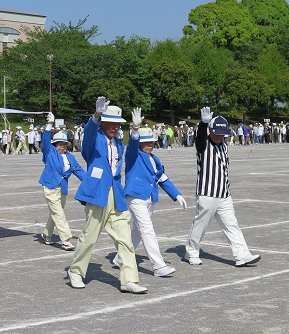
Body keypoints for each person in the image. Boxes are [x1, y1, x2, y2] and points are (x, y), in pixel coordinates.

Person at [67, 97, 148, 294]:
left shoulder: (119, 144)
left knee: (125, 240)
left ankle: (129, 280)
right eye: (111, 123)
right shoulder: (94, 142)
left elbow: (131, 157)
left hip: (116, 195)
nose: (114, 127)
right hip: (97, 193)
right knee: (89, 236)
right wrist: (95, 115)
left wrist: (135, 132)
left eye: (117, 124)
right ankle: (76, 271)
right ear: (103, 122)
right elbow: (88, 135)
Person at [111, 112, 188, 277]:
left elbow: (162, 178)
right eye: (145, 142)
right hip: (135, 197)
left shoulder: (155, 159)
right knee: (147, 230)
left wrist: (177, 195)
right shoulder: (133, 155)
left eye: (151, 142)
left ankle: (119, 258)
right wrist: (135, 129)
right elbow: (132, 145)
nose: (149, 145)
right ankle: (158, 266)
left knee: (138, 232)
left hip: (150, 198)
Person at [184, 107, 261, 267]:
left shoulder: (224, 145)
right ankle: (191, 251)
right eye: (216, 133)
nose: (219, 136)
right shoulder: (203, 145)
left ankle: (242, 255)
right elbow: (199, 139)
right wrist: (203, 124)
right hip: (207, 193)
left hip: (224, 193)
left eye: (222, 134)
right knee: (200, 224)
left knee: (231, 224)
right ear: (210, 130)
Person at [38, 112, 86, 251]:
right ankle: (66, 239)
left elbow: (80, 172)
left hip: (62, 188)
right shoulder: (50, 152)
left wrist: (92, 182)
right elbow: (45, 140)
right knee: (59, 213)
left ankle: (46, 234)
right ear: (54, 144)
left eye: (65, 144)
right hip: (50, 186)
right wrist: (50, 124)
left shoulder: (70, 158)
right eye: (60, 144)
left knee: (55, 213)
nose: (63, 147)